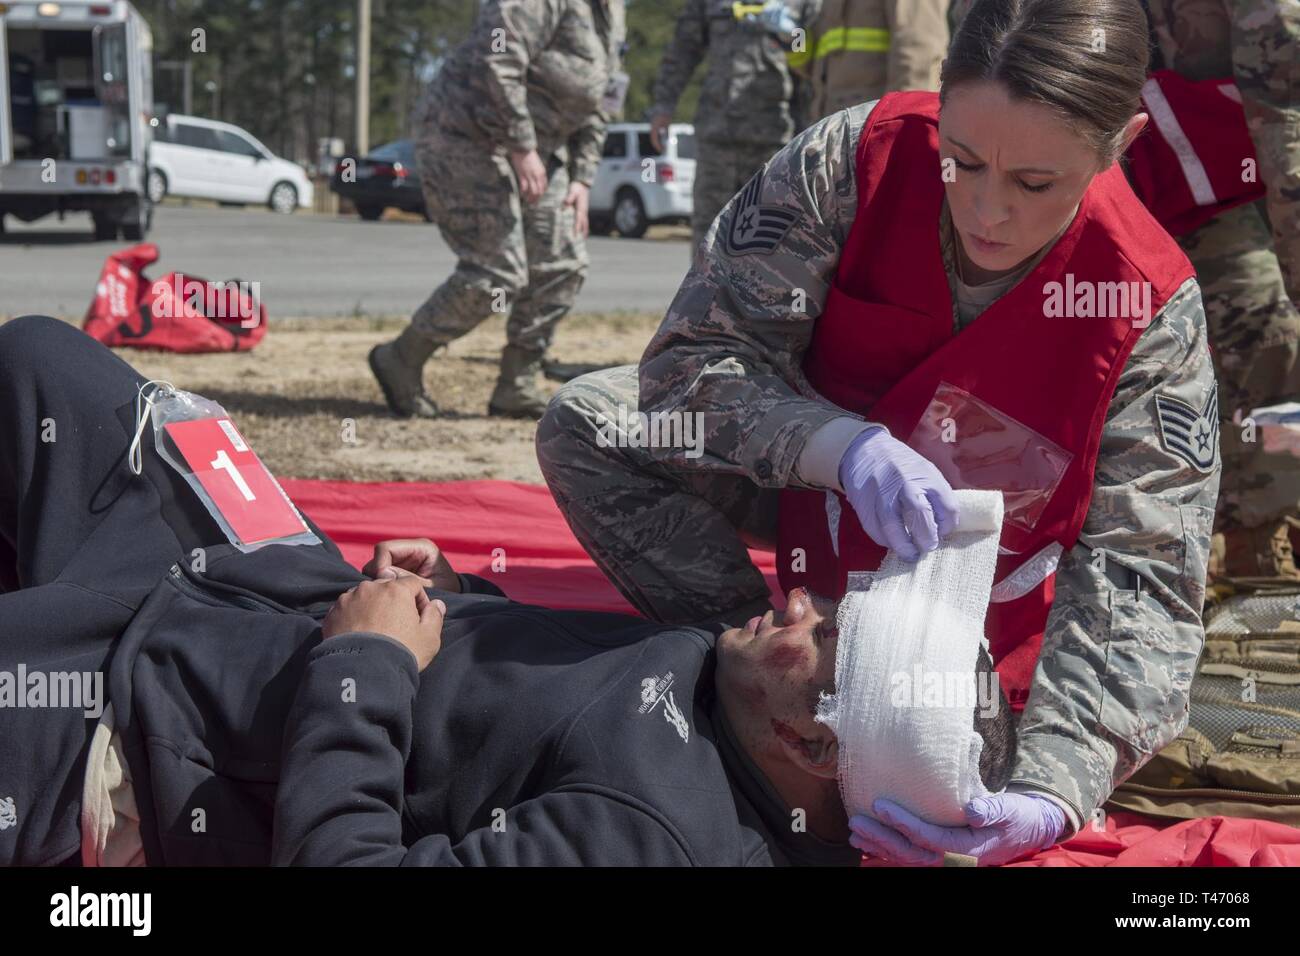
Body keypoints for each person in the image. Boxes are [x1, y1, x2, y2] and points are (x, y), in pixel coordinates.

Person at [538, 0, 1221, 864]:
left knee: (965, 756)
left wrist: (1054, 787)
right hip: (808, 489)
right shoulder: (854, 159)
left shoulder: (1146, 301)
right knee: (594, 423)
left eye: (1035, 184)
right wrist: (839, 448)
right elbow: (690, 364)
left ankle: (860, 705)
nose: (987, 212)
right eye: (962, 161)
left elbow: (1145, 569)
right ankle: (764, 681)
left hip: (968, 601)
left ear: (1119, 141)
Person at [0, 316, 1019, 867]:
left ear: (813, 744)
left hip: (155, 717)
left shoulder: (647, 835)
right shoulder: (726, 688)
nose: (796, 602)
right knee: (40, 368)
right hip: (267, 581)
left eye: (823, 634)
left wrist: (369, 665)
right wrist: (459, 594)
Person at [368, 0, 626, 421]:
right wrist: (521, 145)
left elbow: (600, 96)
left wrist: (582, 175)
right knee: (497, 273)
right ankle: (401, 357)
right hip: (468, 136)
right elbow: (498, 56)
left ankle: (516, 384)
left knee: (562, 263)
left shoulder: (611, 10)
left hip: (541, 150)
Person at [648, 0, 821, 250]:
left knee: (771, 240)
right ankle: (706, 291)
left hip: (777, 138)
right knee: (710, 237)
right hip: (717, 134)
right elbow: (683, 48)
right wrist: (663, 107)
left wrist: (791, 34)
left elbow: (812, 57)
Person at [797, 0, 951, 123]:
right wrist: (794, 36)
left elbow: (918, 57)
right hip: (835, 130)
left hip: (874, 133)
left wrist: (902, 127)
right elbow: (815, 68)